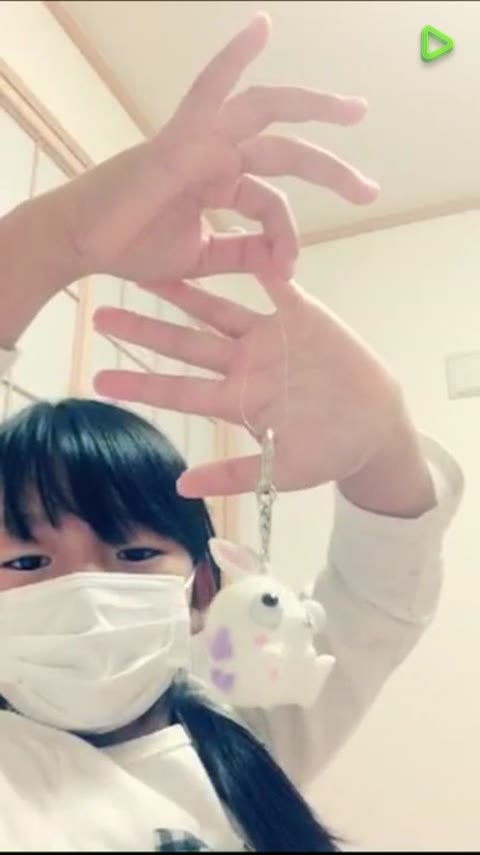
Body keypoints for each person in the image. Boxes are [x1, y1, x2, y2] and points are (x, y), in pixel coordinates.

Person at [0, 12, 463, 853]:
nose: (87, 596)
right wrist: (55, 237)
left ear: (203, 587)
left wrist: (383, 440)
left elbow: (377, 598)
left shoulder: (251, 731)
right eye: (26, 562)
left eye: (133, 552)